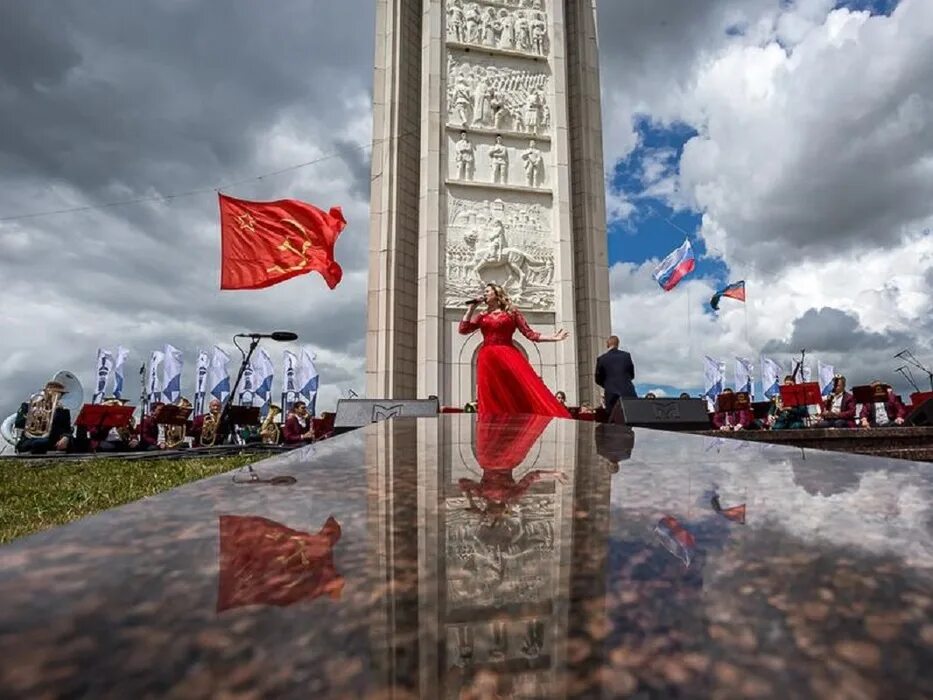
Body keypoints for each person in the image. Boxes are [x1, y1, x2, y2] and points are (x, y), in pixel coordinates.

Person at [459, 283, 570, 417]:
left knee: (516, 390)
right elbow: (463, 330)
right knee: (491, 394)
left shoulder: (511, 312)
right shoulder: (482, 315)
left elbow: (530, 334)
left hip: (508, 355)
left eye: (488, 291)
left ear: (497, 293)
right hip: (487, 358)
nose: (485, 294)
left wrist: (552, 338)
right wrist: (470, 309)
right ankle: (493, 429)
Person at [15, 381, 74, 455]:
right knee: (39, 443)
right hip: (30, 439)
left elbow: (67, 429)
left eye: (61, 394)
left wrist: (66, 437)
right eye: (55, 393)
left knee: (73, 443)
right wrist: (34, 416)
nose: (58, 396)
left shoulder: (63, 411)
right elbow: (18, 423)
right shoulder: (27, 406)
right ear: (45, 392)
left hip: (53, 440)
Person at [594, 335, 636, 415]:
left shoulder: (602, 359)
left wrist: (607, 384)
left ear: (607, 344)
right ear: (618, 344)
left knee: (614, 420)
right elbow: (632, 374)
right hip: (628, 393)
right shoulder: (626, 356)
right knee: (632, 417)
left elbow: (597, 378)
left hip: (611, 395)